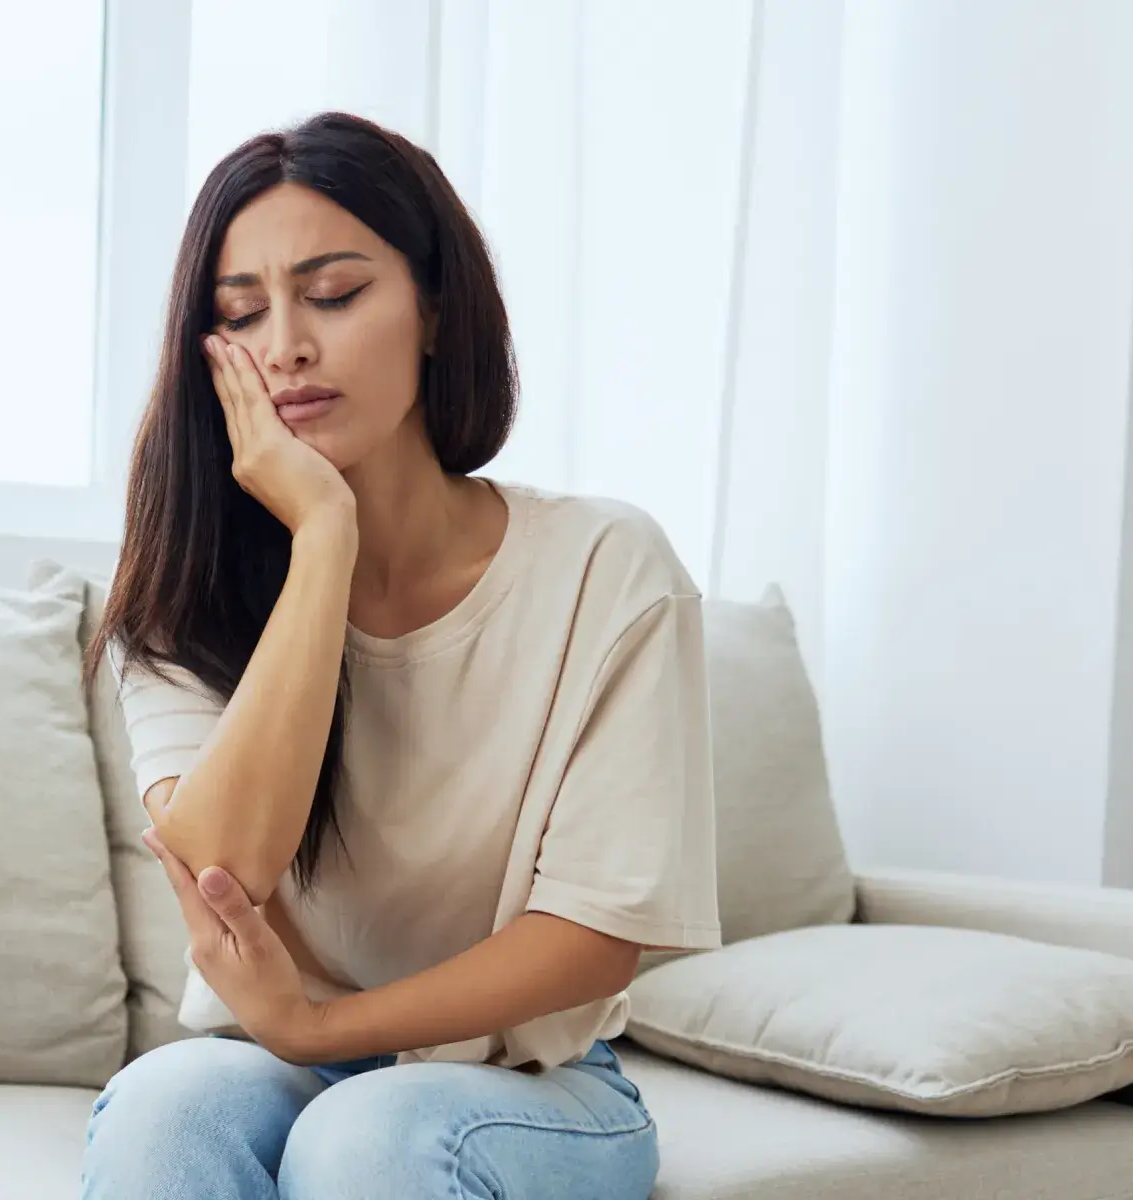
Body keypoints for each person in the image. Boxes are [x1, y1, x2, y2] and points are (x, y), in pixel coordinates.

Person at [79, 110, 720, 1200]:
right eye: (241, 314)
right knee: (162, 1112)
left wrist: (324, 1024)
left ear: (432, 308)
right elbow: (227, 866)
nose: (285, 345)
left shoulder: (608, 568)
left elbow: (595, 937)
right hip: (279, 1063)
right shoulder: (185, 592)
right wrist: (323, 540)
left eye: (333, 294)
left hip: (531, 1083)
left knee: (369, 1138)